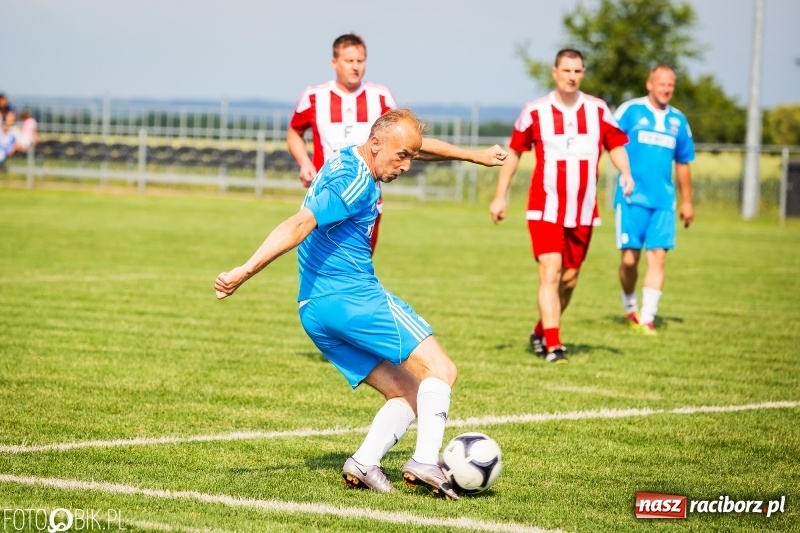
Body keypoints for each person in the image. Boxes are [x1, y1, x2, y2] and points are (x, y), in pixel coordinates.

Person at [215, 109, 507, 498]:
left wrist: (473, 156)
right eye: (401, 156)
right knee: (441, 369)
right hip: (352, 298)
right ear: (375, 145)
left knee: (408, 391)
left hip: (314, 309)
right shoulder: (353, 182)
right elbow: (299, 224)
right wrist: (245, 271)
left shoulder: (356, 154)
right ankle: (424, 461)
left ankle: (365, 461)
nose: (406, 166)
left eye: (410, 157)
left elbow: (417, 146)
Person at [489, 48, 634, 364]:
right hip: (545, 209)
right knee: (551, 272)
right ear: (555, 72)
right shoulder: (535, 111)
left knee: (569, 280)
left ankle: (541, 329)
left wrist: (625, 172)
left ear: (583, 74)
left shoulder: (597, 110)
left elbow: (616, 145)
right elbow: (514, 152)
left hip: (583, 210)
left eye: (577, 71)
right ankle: (554, 346)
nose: (572, 76)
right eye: (566, 70)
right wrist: (501, 195)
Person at [288, 33, 396, 255]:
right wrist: (304, 162)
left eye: (360, 61)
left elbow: (396, 138)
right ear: (334, 62)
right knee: (322, 263)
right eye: (349, 61)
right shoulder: (314, 96)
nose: (355, 67)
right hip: (327, 193)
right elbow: (294, 132)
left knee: (360, 264)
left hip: (368, 197)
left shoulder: (381, 97)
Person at [613, 65, 695, 335]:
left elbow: (683, 163)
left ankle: (647, 318)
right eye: (661, 83)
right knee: (629, 261)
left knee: (658, 258)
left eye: (670, 84)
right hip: (631, 198)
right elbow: (609, 143)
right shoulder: (630, 111)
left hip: (663, 203)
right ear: (649, 84)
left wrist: (687, 201)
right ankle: (630, 306)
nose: (666, 88)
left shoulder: (679, 121)